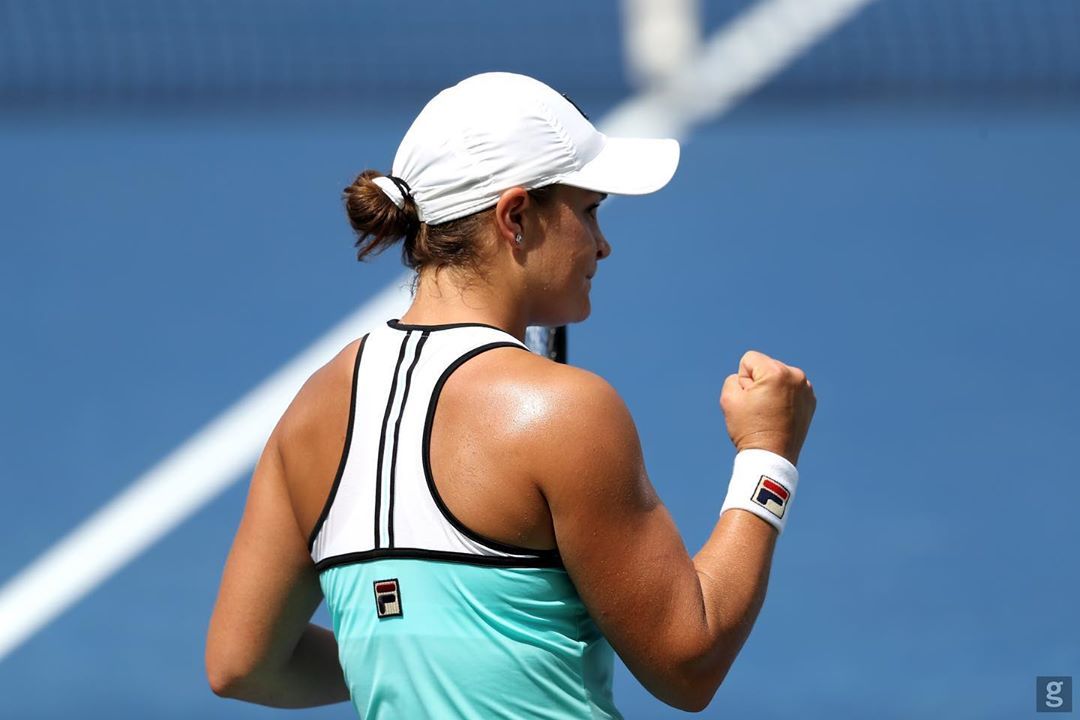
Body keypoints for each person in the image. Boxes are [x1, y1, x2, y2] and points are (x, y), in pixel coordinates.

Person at [205, 72, 816, 718]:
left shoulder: (311, 410)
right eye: (589, 210)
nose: (603, 244)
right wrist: (767, 456)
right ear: (515, 217)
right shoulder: (565, 413)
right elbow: (689, 665)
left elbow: (241, 663)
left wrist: (419, 654)